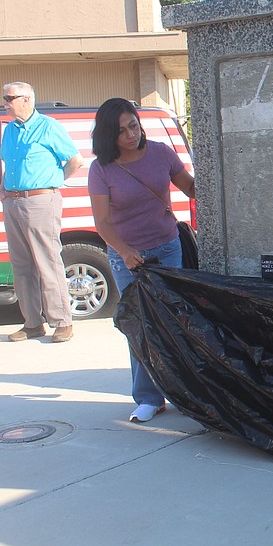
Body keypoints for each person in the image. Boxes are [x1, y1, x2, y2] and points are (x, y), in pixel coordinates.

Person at [88, 98, 195, 423]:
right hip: (129, 259)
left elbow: (189, 187)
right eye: (121, 131)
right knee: (141, 326)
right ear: (109, 135)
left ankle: (188, 393)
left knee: (174, 322)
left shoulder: (161, 152)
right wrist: (123, 251)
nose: (131, 134)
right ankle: (149, 398)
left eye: (133, 125)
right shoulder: (101, 169)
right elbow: (103, 223)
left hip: (167, 248)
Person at [0, 82, 84, 343]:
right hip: (13, 201)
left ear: (26, 99)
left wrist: (51, 181)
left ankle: (62, 322)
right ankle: (32, 323)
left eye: (9, 97)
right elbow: (9, 164)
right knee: (22, 265)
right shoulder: (10, 131)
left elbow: (75, 161)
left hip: (40, 201)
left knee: (47, 261)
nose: (5, 102)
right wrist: (5, 193)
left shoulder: (48, 126)